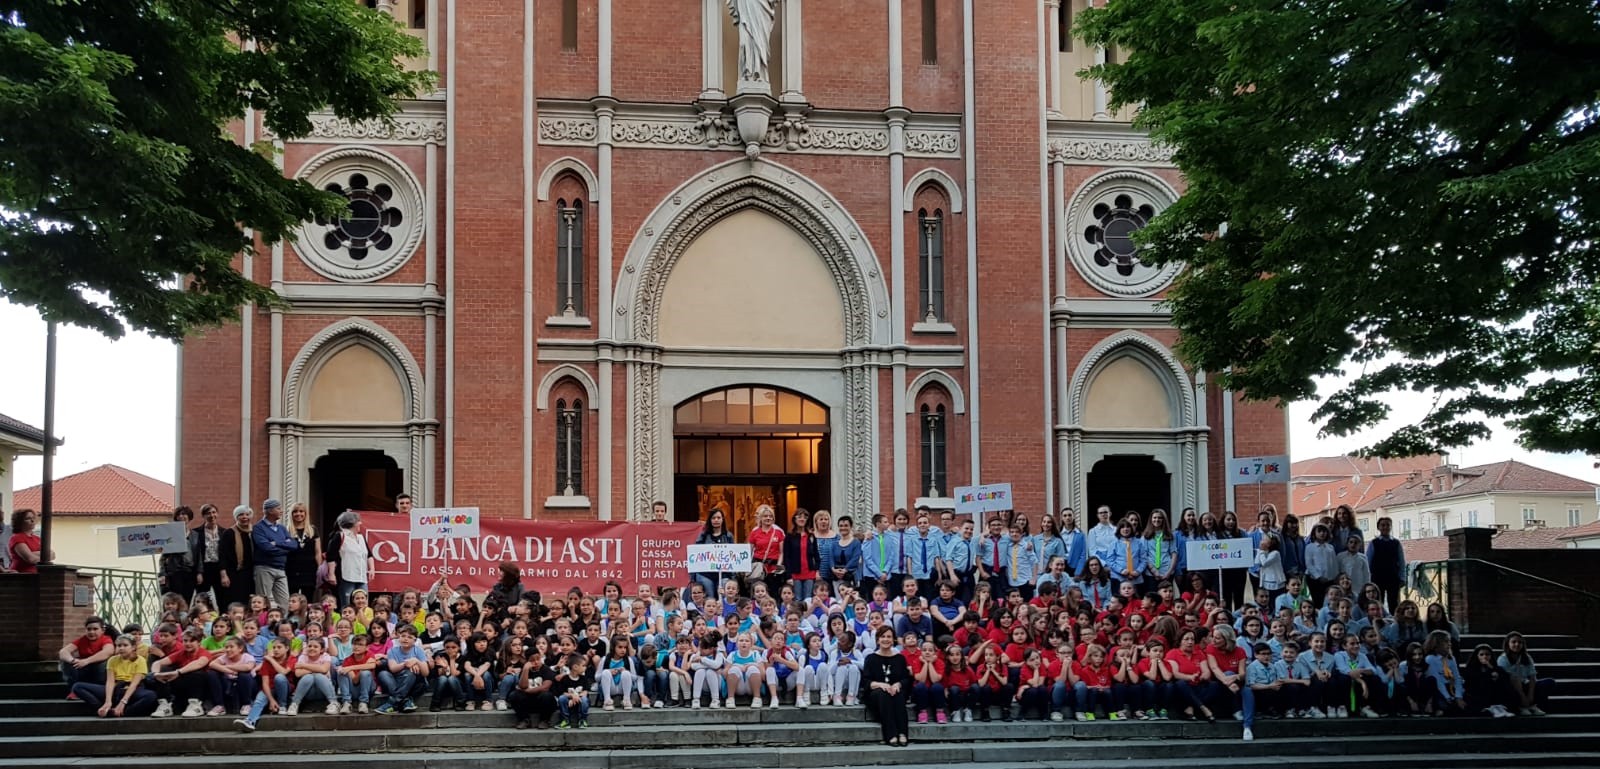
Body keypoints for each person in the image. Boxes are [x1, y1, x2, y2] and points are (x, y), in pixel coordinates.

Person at [73, 633, 158, 718]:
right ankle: (103, 709)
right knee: (78, 686)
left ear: (133, 647)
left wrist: (123, 702)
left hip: (131, 690)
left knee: (151, 695)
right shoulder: (112, 660)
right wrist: (108, 701)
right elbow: (110, 682)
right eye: (119, 645)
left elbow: (134, 684)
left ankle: (123, 712)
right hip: (115, 689)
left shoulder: (140, 660)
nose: (121, 648)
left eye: (125, 645)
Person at [862, 626, 911, 746]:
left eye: (889, 636)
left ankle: (902, 733)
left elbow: (906, 679)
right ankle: (890, 734)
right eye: (883, 636)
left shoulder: (900, 658)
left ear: (893, 639)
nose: (886, 639)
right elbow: (866, 681)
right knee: (884, 694)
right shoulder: (871, 658)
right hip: (877, 695)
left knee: (898, 693)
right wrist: (880, 684)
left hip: (895, 693)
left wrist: (898, 684)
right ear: (878, 640)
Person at [251, 499, 301, 611]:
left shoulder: (281, 528)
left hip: (281, 568)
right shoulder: (258, 528)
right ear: (269, 511)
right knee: (262, 602)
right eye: (278, 508)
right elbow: (266, 548)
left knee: (285, 603)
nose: (281, 511)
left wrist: (277, 543)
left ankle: (283, 627)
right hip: (264, 568)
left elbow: (294, 545)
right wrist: (285, 547)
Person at [324, 511, 374, 609]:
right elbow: (331, 556)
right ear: (352, 523)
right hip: (346, 577)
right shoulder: (340, 536)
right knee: (347, 605)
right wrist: (331, 574)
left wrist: (372, 569)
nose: (360, 523)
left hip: (361, 577)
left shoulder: (361, 537)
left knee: (364, 605)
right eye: (358, 521)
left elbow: (369, 554)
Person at [59, 616, 115, 692]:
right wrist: (72, 660)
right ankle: (74, 690)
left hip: (99, 671)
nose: (91, 632)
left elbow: (108, 652)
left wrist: (86, 661)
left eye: (95, 629)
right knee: (65, 662)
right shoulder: (82, 640)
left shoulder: (106, 639)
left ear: (103, 630)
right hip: (84, 669)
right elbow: (63, 652)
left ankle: (100, 689)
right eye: (89, 629)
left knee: (105, 663)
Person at [218, 505, 256, 610]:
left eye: (247, 514)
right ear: (236, 517)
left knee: (247, 603)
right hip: (233, 574)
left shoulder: (253, 533)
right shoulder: (229, 533)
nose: (244, 517)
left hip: (249, 575)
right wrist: (223, 575)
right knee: (233, 603)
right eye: (241, 515)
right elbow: (222, 555)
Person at [1366, 517, 1406, 614]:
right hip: (1377, 578)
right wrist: (1369, 579)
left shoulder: (1396, 543)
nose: (1385, 527)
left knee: (1394, 602)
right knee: (1379, 601)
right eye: (1382, 525)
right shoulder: (1374, 543)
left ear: (1391, 527)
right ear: (1378, 527)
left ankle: (1394, 621)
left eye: (1387, 525)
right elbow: (1368, 561)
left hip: (1393, 577)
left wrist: (1402, 577)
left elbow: (1401, 561)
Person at [283, 502, 322, 600]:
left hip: (309, 570)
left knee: (308, 598)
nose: (298, 514)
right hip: (291, 570)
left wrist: (320, 568)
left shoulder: (313, 530)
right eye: (295, 511)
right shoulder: (285, 530)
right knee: (292, 598)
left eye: (301, 511)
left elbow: (318, 552)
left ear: (305, 514)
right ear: (291, 514)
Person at [782, 508, 821, 601]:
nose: (802, 519)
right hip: (795, 573)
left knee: (808, 599)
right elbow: (786, 557)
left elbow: (816, 555)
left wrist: (817, 571)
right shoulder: (789, 536)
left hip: (809, 573)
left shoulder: (811, 536)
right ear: (795, 519)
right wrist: (788, 575)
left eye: (805, 517)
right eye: (799, 517)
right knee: (797, 598)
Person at [160, 507, 197, 600]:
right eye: (179, 514)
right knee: (176, 599)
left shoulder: (195, 535)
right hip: (175, 572)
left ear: (189, 517)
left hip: (190, 571)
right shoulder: (171, 534)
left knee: (188, 599)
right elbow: (163, 557)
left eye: (184, 514)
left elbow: (198, 554)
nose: (181, 516)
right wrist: (162, 574)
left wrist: (199, 572)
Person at [8, 508, 47, 573]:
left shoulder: (37, 538)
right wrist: (44, 557)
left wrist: (32, 554)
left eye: (33, 518)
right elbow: (30, 559)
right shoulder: (17, 538)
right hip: (21, 575)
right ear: (19, 522)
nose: (32, 520)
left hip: (36, 574)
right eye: (28, 518)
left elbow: (52, 554)